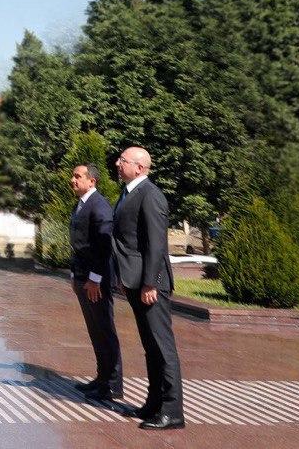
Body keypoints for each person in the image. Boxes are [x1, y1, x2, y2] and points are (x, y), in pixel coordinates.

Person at [112, 146, 184, 431]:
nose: (117, 163)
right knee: (150, 346)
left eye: (123, 160)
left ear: (139, 168)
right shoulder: (129, 192)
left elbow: (156, 243)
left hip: (151, 284)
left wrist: (150, 282)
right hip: (136, 281)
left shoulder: (150, 194)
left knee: (162, 347)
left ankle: (172, 411)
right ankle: (154, 403)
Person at [68, 163, 122, 400]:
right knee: (95, 330)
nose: (72, 180)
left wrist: (94, 278)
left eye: (78, 176)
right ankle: (102, 378)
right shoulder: (81, 204)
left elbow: (103, 245)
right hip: (83, 276)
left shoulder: (99, 206)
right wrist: (75, 275)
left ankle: (113, 384)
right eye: (73, 176)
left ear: (92, 181)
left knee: (104, 329)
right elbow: (79, 245)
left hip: (96, 280)